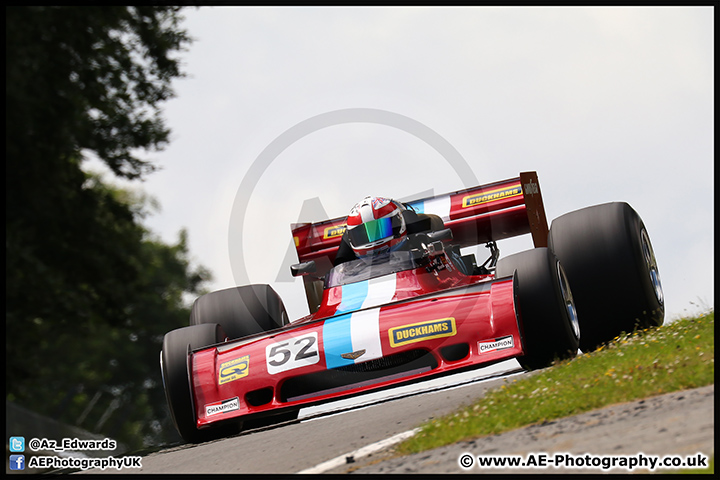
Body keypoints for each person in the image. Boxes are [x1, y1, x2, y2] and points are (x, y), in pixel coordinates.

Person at [333, 196, 445, 266]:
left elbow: (438, 222)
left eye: (382, 229)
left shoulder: (422, 251)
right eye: (363, 235)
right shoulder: (350, 273)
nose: (374, 239)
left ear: (398, 223)